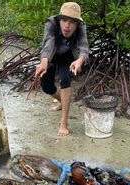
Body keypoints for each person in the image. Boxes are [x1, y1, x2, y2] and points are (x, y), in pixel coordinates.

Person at [34, 2, 89, 136]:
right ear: (59, 20)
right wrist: (43, 62)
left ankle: (64, 123)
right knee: (47, 87)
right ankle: (62, 103)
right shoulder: (51, 24)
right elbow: (48, 43)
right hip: (52, 55)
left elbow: (84, 47)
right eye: (64, 20)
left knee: (65, 80)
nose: (67, 26)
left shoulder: (81, 28)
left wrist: (80, 61)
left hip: (68, 58)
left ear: (77, 24)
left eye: (72, 22)